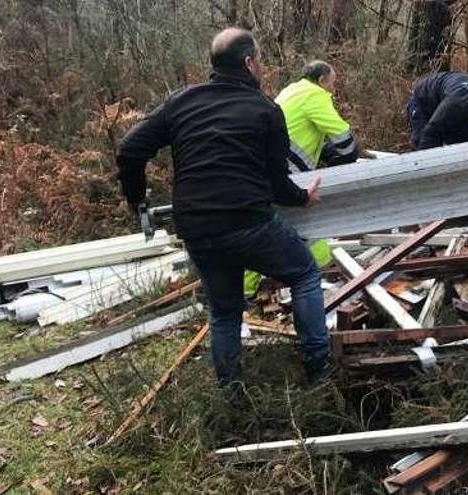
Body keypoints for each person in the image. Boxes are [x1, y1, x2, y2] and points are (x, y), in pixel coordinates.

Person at [115, 28, 330, 386]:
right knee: (304, 274)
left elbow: (129, 149)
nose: (261, 66)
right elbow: (277, 185)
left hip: (197, 229)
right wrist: (303, 198)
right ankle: (318, 371)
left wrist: (136, 200)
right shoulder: (266, 110)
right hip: (249, 223)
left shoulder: (181, 102)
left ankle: (230, 392)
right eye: (259, 60)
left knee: (225, 312)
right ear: (249, 64)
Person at [243, 60, 363, 297]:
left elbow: (300, 131)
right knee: (271, 225)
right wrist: (348, 155)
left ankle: (321, 266)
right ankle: (245, 290)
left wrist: (326, 154)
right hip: (284, 170)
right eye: (332, 82)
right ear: (321, 81)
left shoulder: (292, 90)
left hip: (264, 166)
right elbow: (342, 136)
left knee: (294, 222)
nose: (333, 89)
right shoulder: (315, 95)